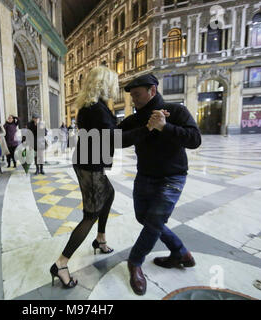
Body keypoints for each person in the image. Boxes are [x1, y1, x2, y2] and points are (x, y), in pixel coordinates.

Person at [50, 66, 150, 288]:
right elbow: (115, 139)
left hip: (87, 161)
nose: (115, 88)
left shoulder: (92, 107)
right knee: (90, 214)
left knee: (110, 194)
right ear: (105, 84)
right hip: (90, 165)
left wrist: (135, 123)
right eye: (113, 83)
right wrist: (147, 129)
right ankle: (61, 264)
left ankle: (100, 239)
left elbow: (111, 130)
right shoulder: (97, 109)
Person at [120, 73, 201, 295]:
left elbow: (195, 139)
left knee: (154, 220)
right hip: (145, 176)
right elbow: (115, 139)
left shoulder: (175, 111)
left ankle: (135, 262)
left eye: (137, 95)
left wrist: (165, 127)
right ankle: (180, 252)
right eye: (132, 96)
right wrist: (147, 128)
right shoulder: (136, 119)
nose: (133, 100)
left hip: (172, 177)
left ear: (152, 91)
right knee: (143, 217)